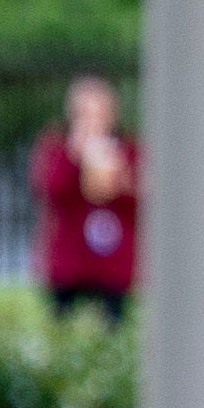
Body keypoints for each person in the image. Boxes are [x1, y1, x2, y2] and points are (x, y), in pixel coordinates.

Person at [32, 74, 138, 322]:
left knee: (114, 322)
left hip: (114, 262)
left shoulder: (129, 149)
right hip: (69, 259)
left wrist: (118, 176)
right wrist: (74, 156)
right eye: (85, 114)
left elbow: (140, 198)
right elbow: (49, 190)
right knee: (61, 321)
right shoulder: (57, 148)